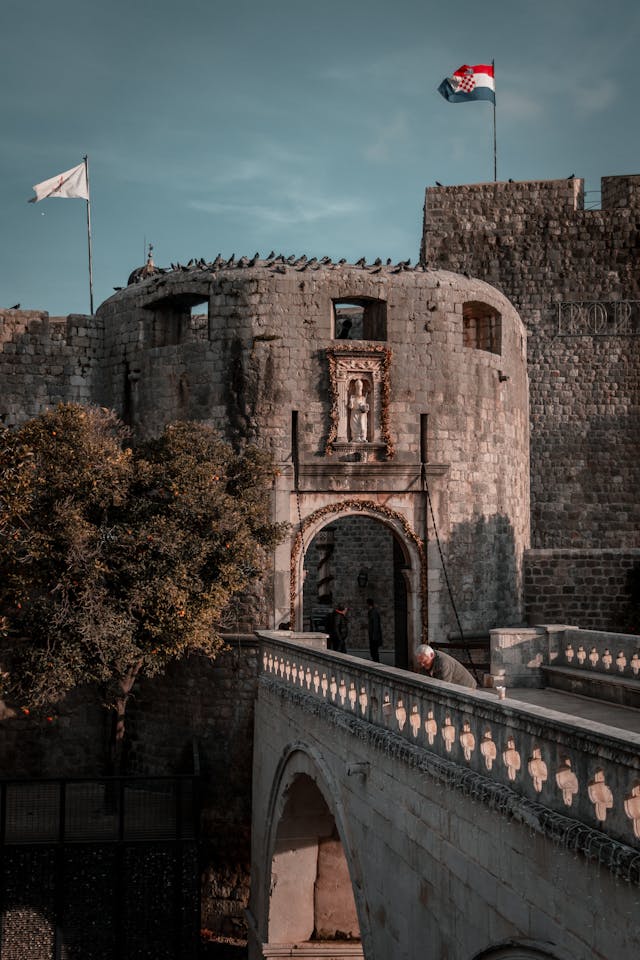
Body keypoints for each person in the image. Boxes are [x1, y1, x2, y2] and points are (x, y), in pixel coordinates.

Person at [367, 598, 382, 663]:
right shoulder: (372, 612)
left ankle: (376, 663)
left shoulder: (374, 612)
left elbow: (375, 625)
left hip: (374, 637)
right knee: (373, 652)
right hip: (373, 636)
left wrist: (374, 637)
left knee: (374, 652)